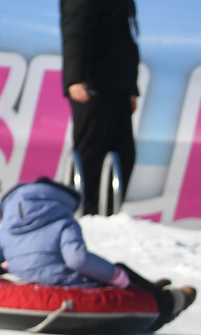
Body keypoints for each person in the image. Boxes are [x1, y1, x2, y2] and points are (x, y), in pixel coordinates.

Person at [0, 179, 196, 332]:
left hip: (29, 284)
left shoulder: (7, 231)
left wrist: (8, 273)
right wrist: (117, 278)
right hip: (70, 284)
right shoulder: (62, 222)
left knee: (117, 272)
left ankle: (151, 287)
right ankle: (168, 301)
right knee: (120, 269)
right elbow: (77, 259)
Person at [60, 0, 140, 215]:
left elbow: (127, 38)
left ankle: (109, 213)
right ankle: (84, 212)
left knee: (124, 153)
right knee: (90, 152)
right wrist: (74, 79)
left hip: (118, 86)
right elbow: (74, 29)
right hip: (92, 84)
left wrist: (130, 87)